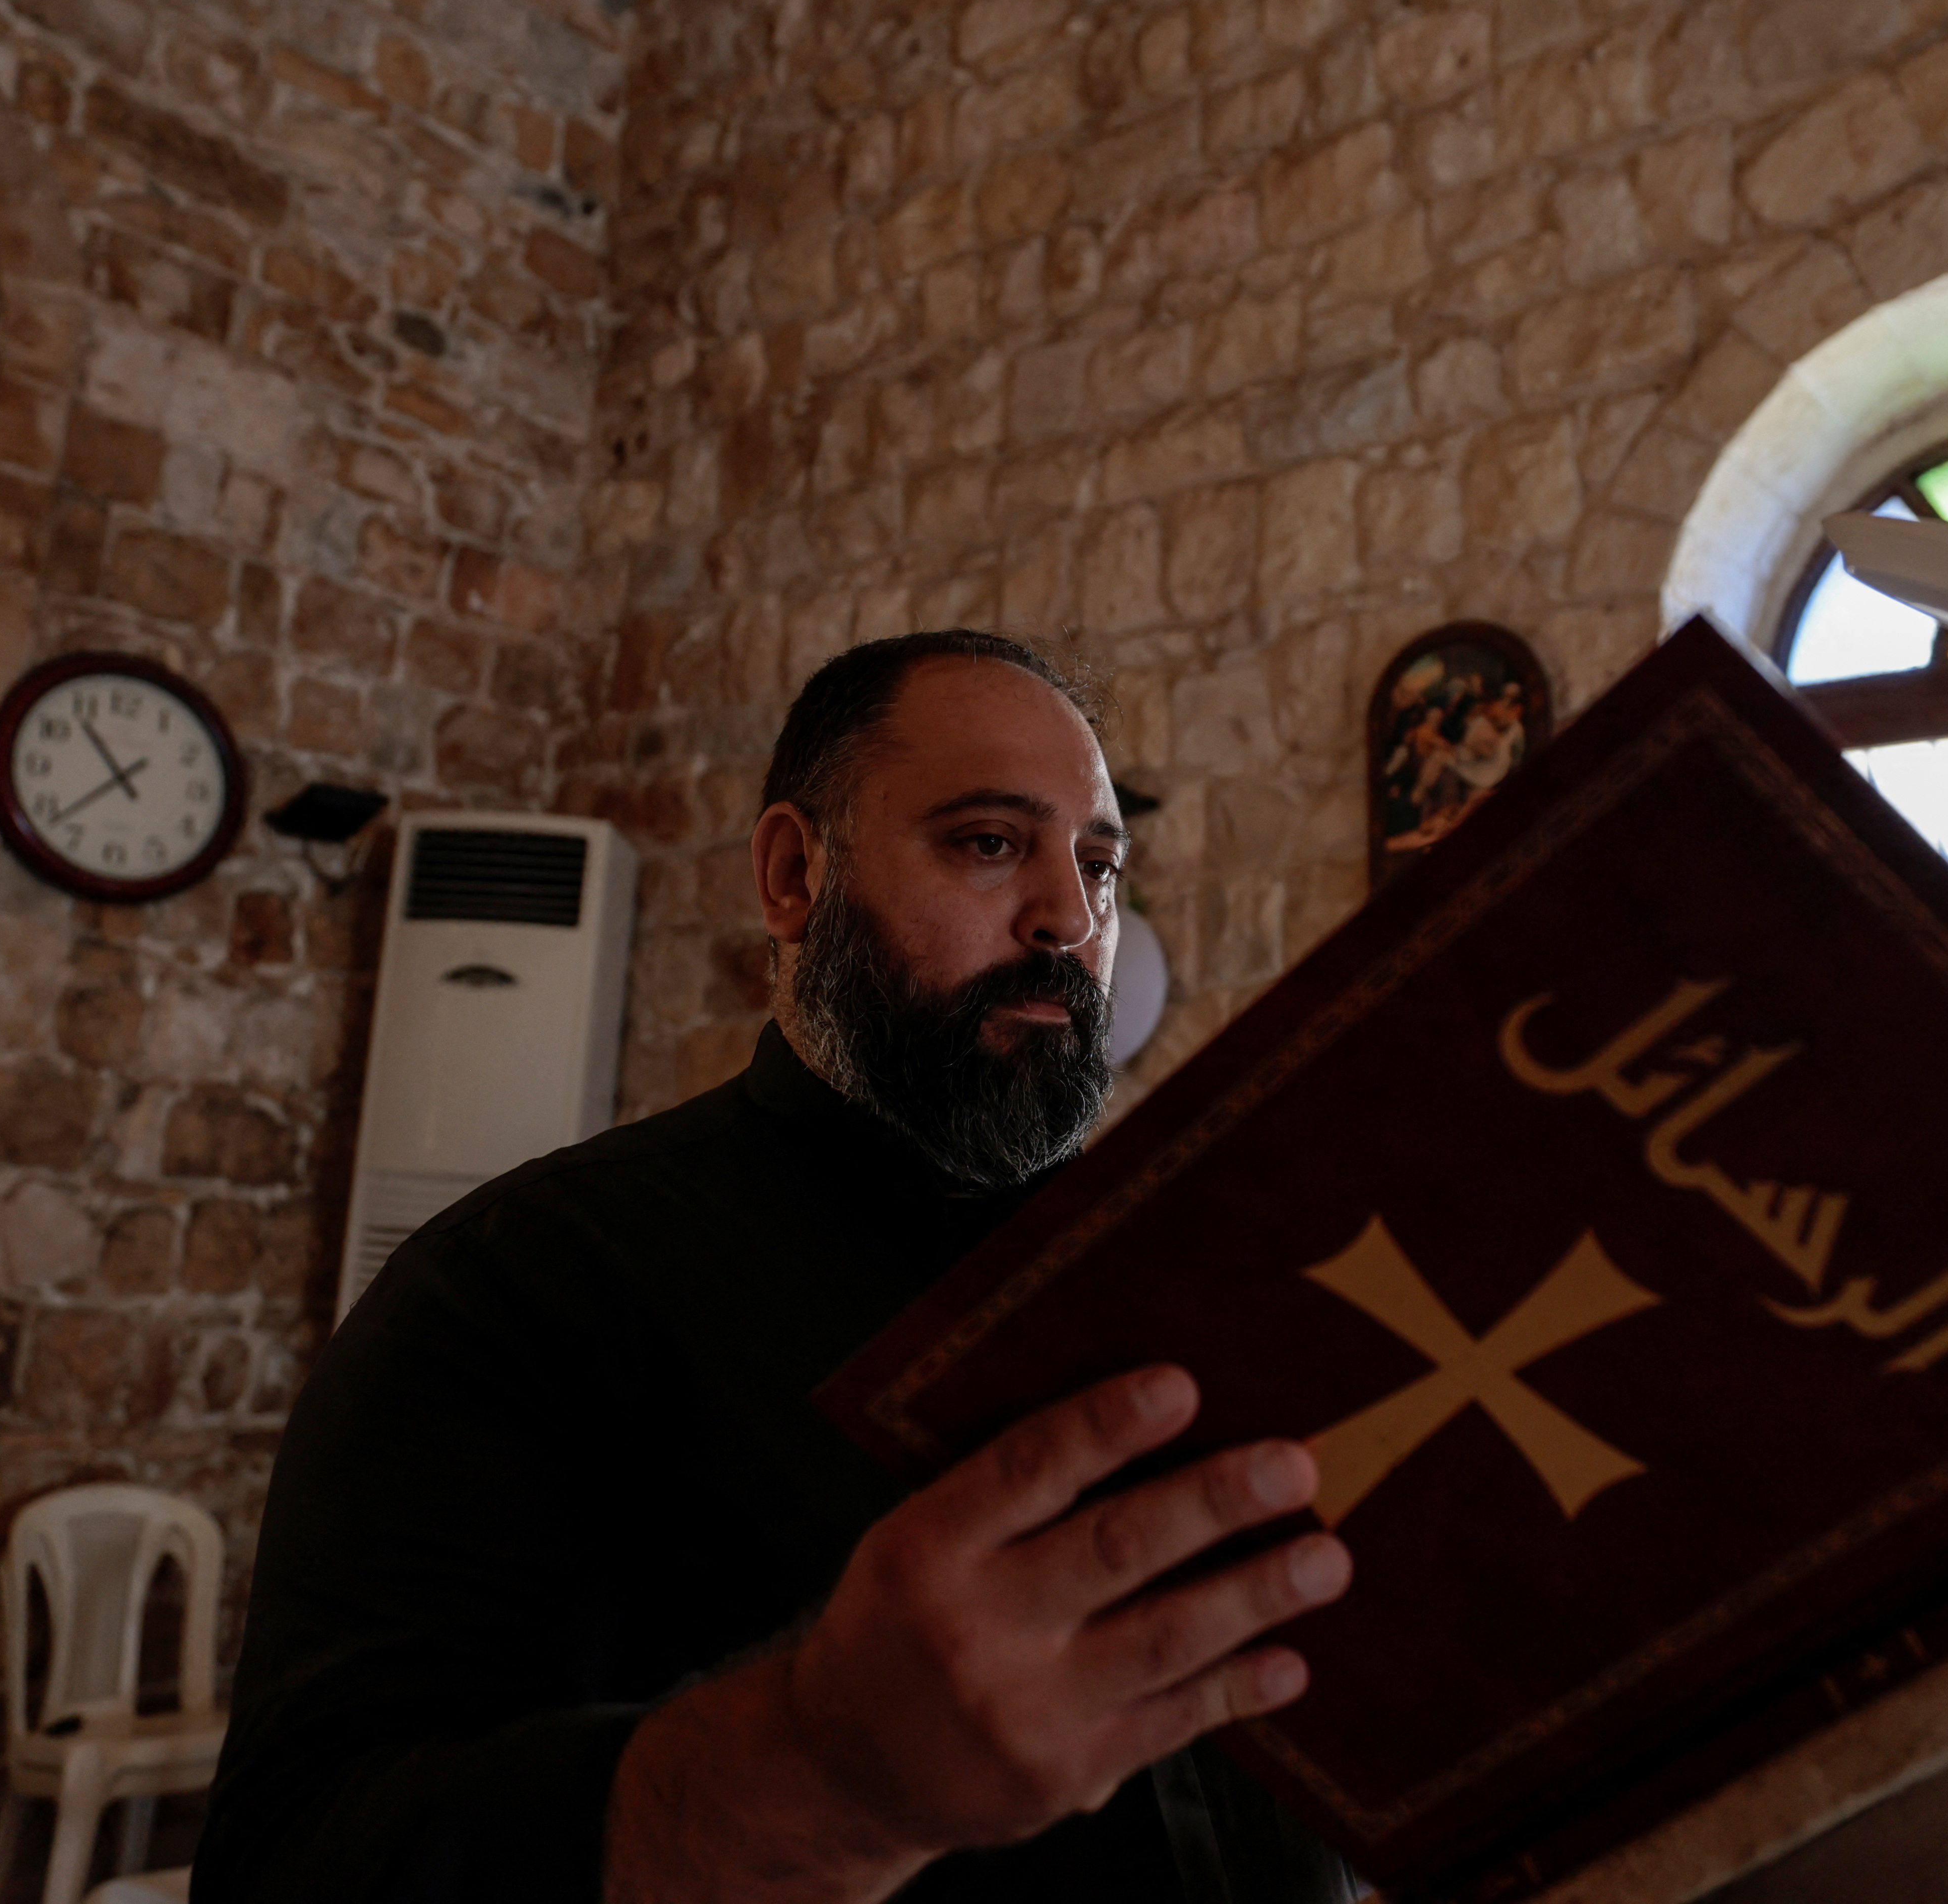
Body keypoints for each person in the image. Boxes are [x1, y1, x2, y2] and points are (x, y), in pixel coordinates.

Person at [196, 631, 1360, 1904]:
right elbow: (292, 1870)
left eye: (1098, 865)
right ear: (795, 873)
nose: (1069, 919)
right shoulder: (514, 1291)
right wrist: (822, 1769)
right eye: (988, 842)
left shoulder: (1200, 1263)